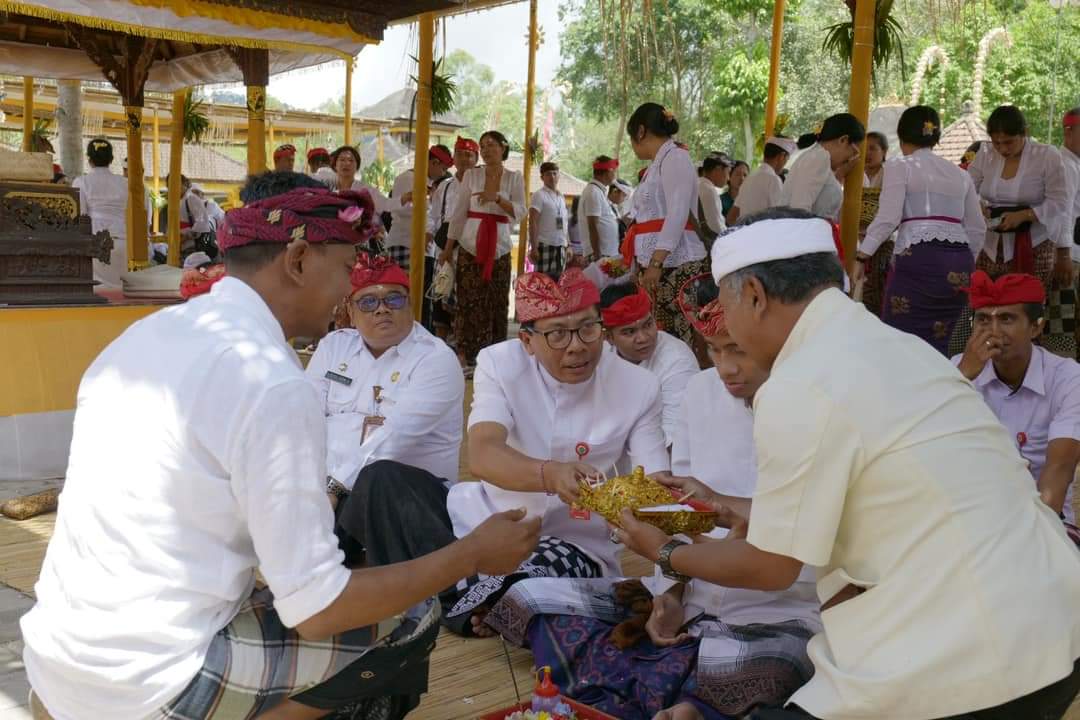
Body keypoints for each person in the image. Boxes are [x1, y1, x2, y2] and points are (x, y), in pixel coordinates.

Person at [20, 173, 541, 720]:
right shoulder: (270, 378)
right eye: (345, 269)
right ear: (297, 260)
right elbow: (319, 608)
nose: (349, 294)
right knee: (412, 617)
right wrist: (472, 554)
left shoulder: (145, 335)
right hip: (149, 680)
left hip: (61, 658)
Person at [613, 207, 1080, 720]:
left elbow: (771, 567)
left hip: (970, 659)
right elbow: (888, 497)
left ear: (753, 297)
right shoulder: (901, 347)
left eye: (726, 307)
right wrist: (732, 509)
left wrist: (663, 550)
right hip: (1057, 626)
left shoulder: (799, 384)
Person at [484, 283, 820, 720]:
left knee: (780, 660)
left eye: (737, 350)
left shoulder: (818, 409)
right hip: (696, 594)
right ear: (528, 340)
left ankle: (677, 698)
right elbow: (678, 513)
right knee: (529, 597)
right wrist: (672, 594)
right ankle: (683, 689)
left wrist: (669, 551)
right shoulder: (700, 393)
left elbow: (795, 546)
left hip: (777, 611)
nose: (725, 368)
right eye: (714, 351)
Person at [443, 269, 669, 637]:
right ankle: (504, 602)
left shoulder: (639, 387)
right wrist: (551, 474)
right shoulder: (499, 363)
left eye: (587, 328)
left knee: (543, 568)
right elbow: (483, 455)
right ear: (528, 342)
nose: (577, 345)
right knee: (390, 487)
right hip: (489, 522)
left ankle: (481, 600)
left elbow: (655, 483)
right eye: (557, 334)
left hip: (573, 544)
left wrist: (639, 520)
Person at [306, 251, 464, 497]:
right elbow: (305, 417)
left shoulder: (435, 360)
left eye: (394, 300)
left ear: (410, 304)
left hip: (404, 500)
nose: (382, 310)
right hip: (325, 487)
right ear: (350, 311)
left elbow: (392, 441)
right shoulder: (334, 347)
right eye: (368, 302)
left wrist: (334, 489)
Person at [953, 271, 1080, 543]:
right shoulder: (954, 371)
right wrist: (962, 378)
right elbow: (924, 442)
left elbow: (1060, 469)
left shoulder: (1069, 379)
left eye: (1007, 319)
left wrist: (1029, 541)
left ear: (1036, 327)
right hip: (969, 516)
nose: (993, 331)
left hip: (1042, 518)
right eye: (984, 319)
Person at [859, 105, 986, 354]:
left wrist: (862, 254)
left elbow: (888, 217)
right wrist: (966, 261)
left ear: (902, 135)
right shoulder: (960, 175)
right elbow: (977, 228)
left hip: (917, 257)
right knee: (948, 338)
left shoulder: (899, 166)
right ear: (935, 136)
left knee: (903, 338)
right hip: (959, 263)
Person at [968, 105, 1073, 356]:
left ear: (1025, 132)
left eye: (1009, 142)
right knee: (988, 308)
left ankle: (1028, 362)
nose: (1003, 149)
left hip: (1034, 245)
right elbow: (968, 188)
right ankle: (988, 362)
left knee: (1024, 309)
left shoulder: (1047, 156)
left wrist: (1025, 215)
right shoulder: (984, 153)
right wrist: (977, 207)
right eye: (997, 143)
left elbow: (1060, 202)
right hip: (990, 246)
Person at [622, 102, 708, 346]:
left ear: (640, 132)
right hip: (657, 264)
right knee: (660, 337)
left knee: (680, 338)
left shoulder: (676, 157)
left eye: (631, 137)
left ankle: (681, 384)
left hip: (676, 264)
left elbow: (678, 213)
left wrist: (656, 261)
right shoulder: (656, 165)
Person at [443, 130, 526, 371]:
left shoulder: (514, 177)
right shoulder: (471, 175)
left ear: (503, 148)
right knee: (468, 302)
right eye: (483, 146)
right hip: (470, 245)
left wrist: (497, 199)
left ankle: (495, 358)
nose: (487, 150)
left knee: (497, 302)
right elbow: (458, 213)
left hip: (499, 248)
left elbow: (521, 212)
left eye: (492, 145)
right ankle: (467, 357)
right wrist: (448, 249)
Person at [599, 283, 699, 447]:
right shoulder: (601, 355)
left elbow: (675, 439)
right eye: (629, 332)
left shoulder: (677, 360)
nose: (643, 338)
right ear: (608, 337)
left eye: (647, 325)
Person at [431, 137, 480, 339]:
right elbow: (433, 217)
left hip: (470, 248)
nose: (464, 159)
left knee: (466, 300)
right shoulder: (445, 186)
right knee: (441, 297)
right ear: (453, 158)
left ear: (476, 159)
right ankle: (441, 346)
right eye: (459, 154)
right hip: (443, 249)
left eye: (469, 155)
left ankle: (463, 348)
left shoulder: (481, 185)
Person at [781, 114, 866, 222]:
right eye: (854, 151)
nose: (851, 158)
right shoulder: (819, 158)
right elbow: (799, 211)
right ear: (843, 140)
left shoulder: (817, 156)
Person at [71, 138, 131, 288]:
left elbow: (81, 216)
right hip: (125, 241)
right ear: (111, 159)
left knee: (99, 291)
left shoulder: (81, 182)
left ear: (89, 160)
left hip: (96, 244)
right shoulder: (126, 183)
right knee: (123, 291)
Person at [728, 137, 794, 225]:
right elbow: (780, 219)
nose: (785, 164)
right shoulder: (773, 179)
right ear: (781, 156)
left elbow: (731, 217)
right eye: (787, 159)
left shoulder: (749, 178)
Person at [528, 161, 570, 280]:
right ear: (542, 177)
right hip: (544, 244)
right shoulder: (538, 195)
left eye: (554, 173)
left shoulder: (561, 196)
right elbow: (533, 221)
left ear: (558, 175)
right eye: (548, 174)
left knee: (557, 284)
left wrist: (568, 245)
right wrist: (534, 247)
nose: (552, 177)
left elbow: (565, 223)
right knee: (542, 283)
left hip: (561, 246)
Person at [329, 145, 391, 215]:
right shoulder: (329, 189)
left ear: (357, 167)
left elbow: (386, 204)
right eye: (342, 160)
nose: (346, 163)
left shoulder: (366, 190)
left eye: (351, 160)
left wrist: (403, 199)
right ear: (335, 165)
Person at [579, 155, 620, 260]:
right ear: (607, 172)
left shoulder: (597, 191)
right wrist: (597, 254)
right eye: (614, 171)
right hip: (600, 253)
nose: (615, 175)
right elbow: (593, 225)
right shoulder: (593, 192)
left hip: (606, 252)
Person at [697, 154, 730, 244]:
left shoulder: (699, 184)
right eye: (728, 172)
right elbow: (716, 227)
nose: (728, 178)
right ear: (718, 169)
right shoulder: (708, 190)